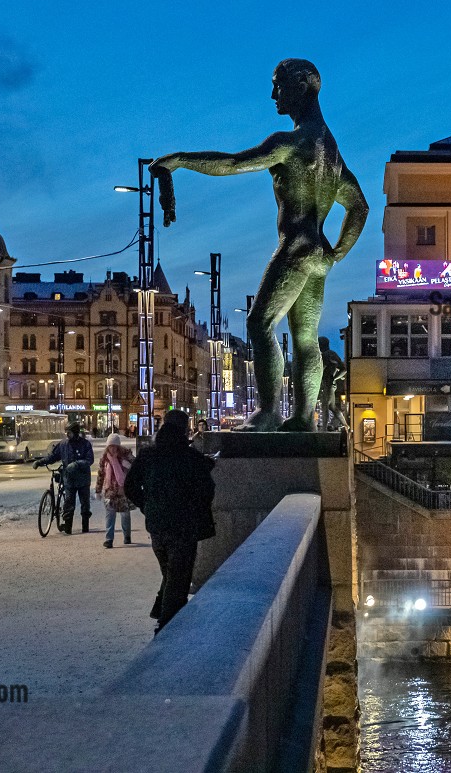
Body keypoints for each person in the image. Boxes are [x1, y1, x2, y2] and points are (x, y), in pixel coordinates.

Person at [150, 58, 369, 432]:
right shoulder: (330, 151)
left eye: (278, 84)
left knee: (259, 323)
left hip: (296, 248)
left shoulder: (293, 142)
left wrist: (179, 161)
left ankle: (268, 413)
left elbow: (235, 163)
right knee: (304, 339)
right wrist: (336, 254)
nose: (273, 95)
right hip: (317, 254)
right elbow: (359, 207)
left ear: (301, 85)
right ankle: (302, 419)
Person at [124, 410, 215, 631]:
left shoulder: (148, 455)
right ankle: (166, 629)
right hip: (184, 527)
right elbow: (207, 491)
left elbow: (130, 487)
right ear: (184, 430)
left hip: (156, 526)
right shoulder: (191, 458)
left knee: (171, 572)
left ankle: (162, 610)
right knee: (179, 576)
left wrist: (148, 507)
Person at [36, 422, 95, 534]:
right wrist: (40, 462)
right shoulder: (63, 444)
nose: (67, 435)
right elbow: (53, 456)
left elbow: (89, 459)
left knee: (85, 503)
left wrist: (77, 464)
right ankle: (68, 527)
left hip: (83, 479)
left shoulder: (85, 444)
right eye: (67, 432)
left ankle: (85, 526)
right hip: (69, 479)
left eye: (70, 432)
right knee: (68, 502)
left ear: (76, 433)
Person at [95, 434, 135, 548]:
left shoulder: (125, 455)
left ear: (118, 446)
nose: (112, 448)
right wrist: (98, 490)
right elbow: (100, 475)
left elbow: (136, 467)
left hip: (123, 490)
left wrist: (127, 465)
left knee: (125, 514)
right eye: (110, 446)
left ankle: (127, 536)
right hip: (110, 490)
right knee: (110, 515)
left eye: (114, 446)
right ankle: (109, 539)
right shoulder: (105, 458)